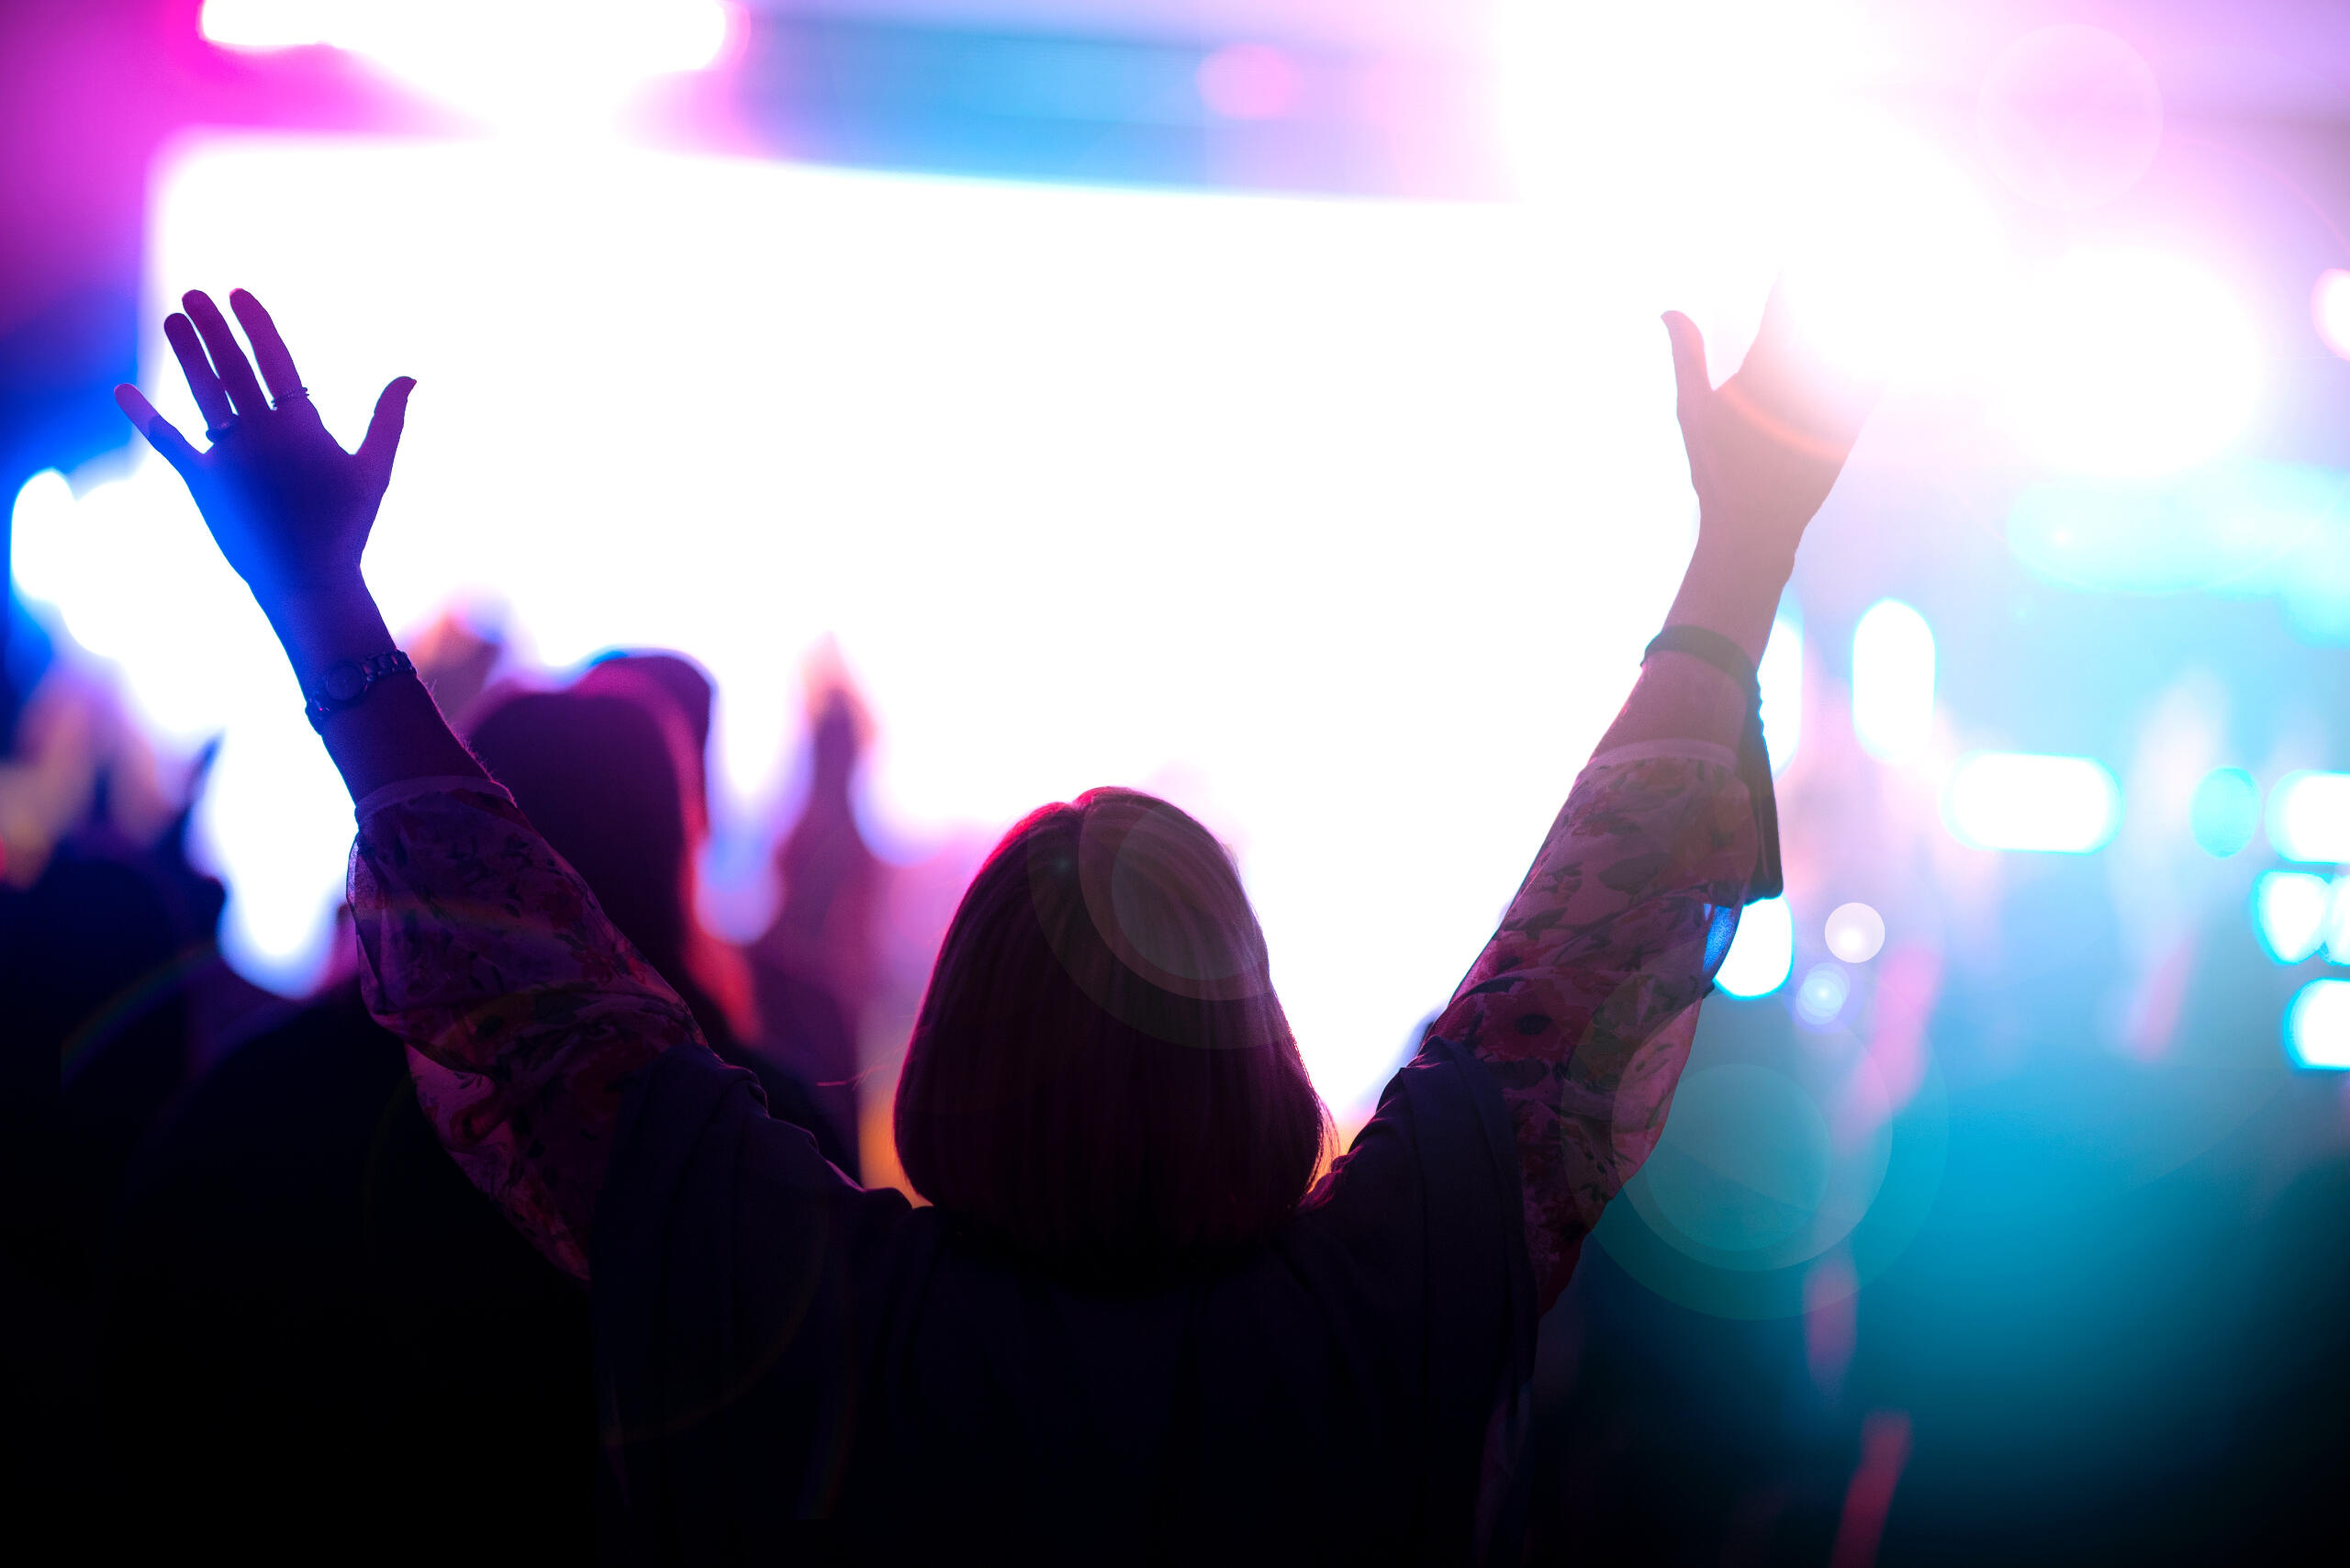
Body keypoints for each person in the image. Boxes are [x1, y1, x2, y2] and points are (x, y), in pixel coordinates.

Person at [115, 283, 1870, 1559]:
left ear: (957, 1042)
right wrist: (1743, 557)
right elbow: (1590, 945)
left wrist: (327, 615)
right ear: (1252, 1052)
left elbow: (534, 1003)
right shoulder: (1379, 1311)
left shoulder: (799, 1305)